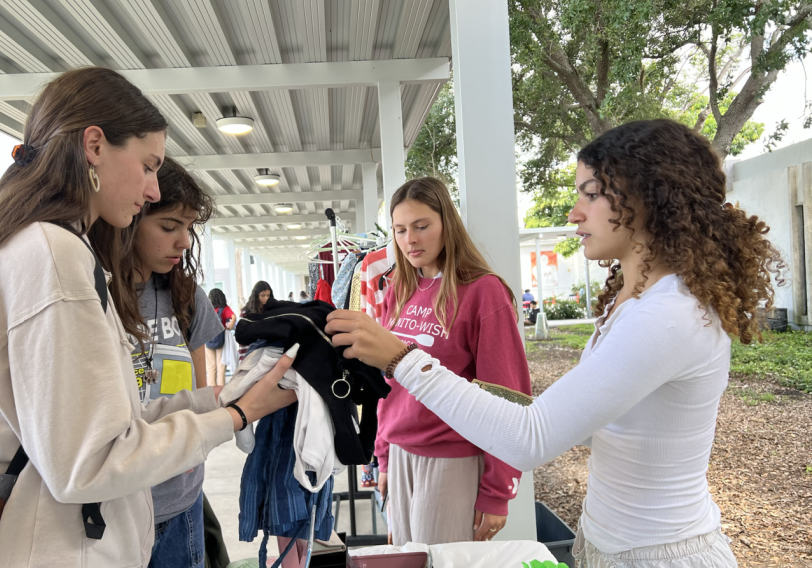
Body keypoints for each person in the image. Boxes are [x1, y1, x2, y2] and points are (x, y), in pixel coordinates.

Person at [327, 119, 785, 568]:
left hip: (657, 553)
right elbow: (575, 421)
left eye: (590, 193)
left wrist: (401, 359)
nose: (574, 212)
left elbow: (533, 437)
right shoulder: (635, 303)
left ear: (647, 199)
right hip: (613, 544)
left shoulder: (670, 315)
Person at [0, 67, 296, 568]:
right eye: (147, 166)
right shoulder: (53, 255)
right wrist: (237, 416)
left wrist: (221, 397)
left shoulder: (34, 247)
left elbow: (104, 425)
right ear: (94, 146)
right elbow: (90, 462)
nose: (152, 190)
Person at [374, 177, 531, 545]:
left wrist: (498, 489)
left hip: (453, 460)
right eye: (400, 230)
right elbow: (386, 384)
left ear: (447, 224)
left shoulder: (483, 291)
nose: (410, 239)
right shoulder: (398, 290)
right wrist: (382, 456)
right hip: (399, 455)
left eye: (421, 226)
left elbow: (509, 395)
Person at [120, 158, 222, 567]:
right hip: (119, 503)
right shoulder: (96, 296)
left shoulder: (186, 295)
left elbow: (198, 394)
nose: (183, 241)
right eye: (168, 226)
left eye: (189, 228)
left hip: (180, 500)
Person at [207, 288, 237, 387]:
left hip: (208, 340)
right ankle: (220, 389)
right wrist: (229, 327)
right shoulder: (224, 308)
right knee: (221, 365)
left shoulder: (208, 307)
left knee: (211, 367)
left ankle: (211, 389)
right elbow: (234, 317)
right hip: (220, 339)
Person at [238, 281, 273, 362]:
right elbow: (242, 337)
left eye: (268, 295)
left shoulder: (270, 311)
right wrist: (243, 357)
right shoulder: (245, 313)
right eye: (263, 295)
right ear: (256, 295)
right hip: (249, 353)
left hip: (266, 354)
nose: (266, 298)